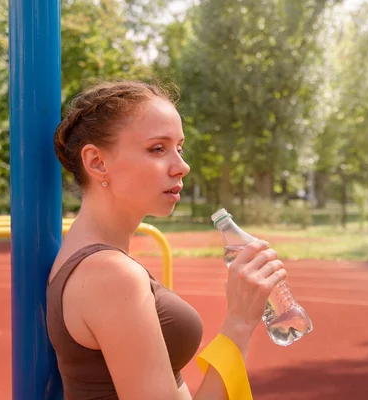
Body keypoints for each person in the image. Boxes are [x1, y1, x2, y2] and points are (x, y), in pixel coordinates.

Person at [46, 79, 287, 399]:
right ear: (97, 162)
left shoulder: (99, 261)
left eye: (179, 148)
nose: (182, 166)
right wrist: (240, 322)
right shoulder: (109, 275)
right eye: (157, 148)